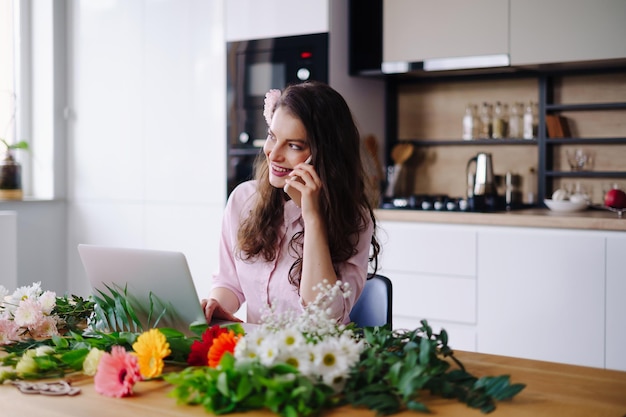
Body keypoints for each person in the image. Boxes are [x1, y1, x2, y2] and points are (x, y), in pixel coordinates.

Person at [202, 81, 380, 324]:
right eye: (272, 137)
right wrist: (216, 306)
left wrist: (313, 218)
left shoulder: (353, 219)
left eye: (294, 145)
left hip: (319, 357)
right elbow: (229, 282)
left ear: (324, 156)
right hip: (256, 356)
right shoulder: (243, 200)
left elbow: (325, 319)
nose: (273, 154)